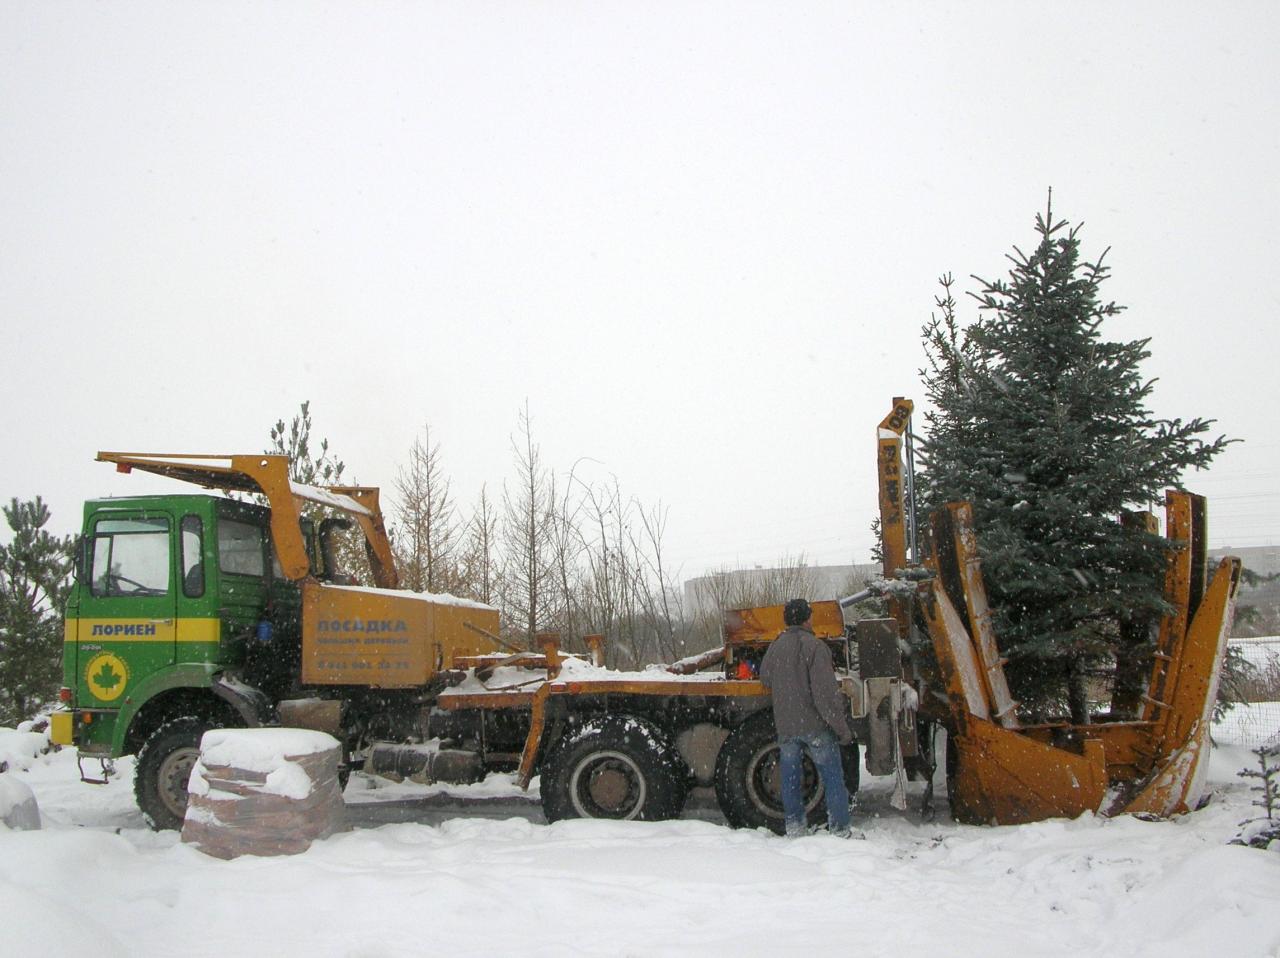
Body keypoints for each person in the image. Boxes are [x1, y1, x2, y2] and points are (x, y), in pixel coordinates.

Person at [759, 597, 853, 837]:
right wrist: (841, 728)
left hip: (787, 726)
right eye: (810, 615)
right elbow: (825, 694)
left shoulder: (776, 646)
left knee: (790, 778)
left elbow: (766, 678)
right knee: (832, 777)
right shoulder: (814, 647)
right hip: (815, 726)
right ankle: (840, 829)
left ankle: (795, 828)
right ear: (806, 618)